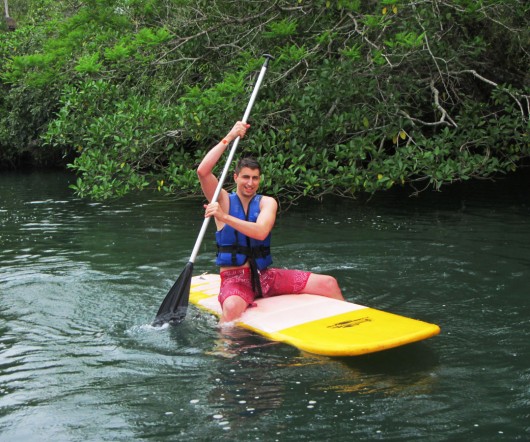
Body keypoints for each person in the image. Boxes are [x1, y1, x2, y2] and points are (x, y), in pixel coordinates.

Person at [197, 121, 344, 323]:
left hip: (265, 276)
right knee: (231, 308)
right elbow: (203, 171)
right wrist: (230, 136)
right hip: (235, 280)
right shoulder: (222, 200)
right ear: (236, 177)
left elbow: (260, 232)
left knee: (329, 283)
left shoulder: (267, 202)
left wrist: (224, 217)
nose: (250, 183)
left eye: (255, 178)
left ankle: (347, 326)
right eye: (246, 177)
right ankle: (225, 351)